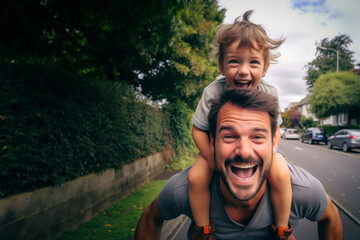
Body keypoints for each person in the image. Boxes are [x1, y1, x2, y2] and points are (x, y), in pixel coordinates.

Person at [135, 88, 343, 239]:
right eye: (229, 136)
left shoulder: (302, 190)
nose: (244, 151)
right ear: (211, 143)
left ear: (274, 143)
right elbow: (150, 218)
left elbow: (331, 217)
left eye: (258, 137)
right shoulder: (183, 190)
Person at [188, 10, 291, 239]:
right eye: (234, 61)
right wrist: (211, 155)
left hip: (262, 147)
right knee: (196, 178)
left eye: (253, 62)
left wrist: (272, 151)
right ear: (222, 66)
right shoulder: (212, 92)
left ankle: (282, 228)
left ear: (264, 69)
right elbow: (198, 129)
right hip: (217, 148)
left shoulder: (269, 92)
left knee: (282, 175)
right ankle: (203, 229)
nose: (244, 70)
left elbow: (276, 130)